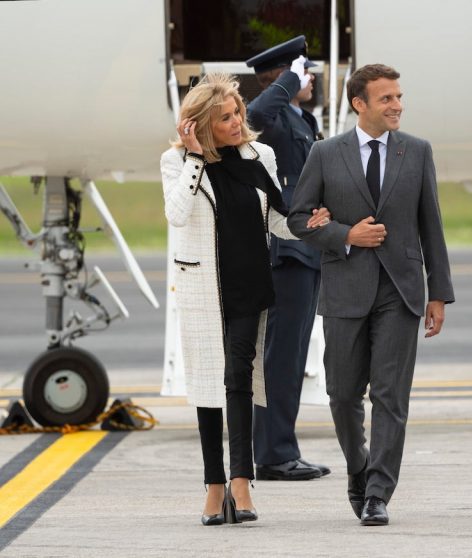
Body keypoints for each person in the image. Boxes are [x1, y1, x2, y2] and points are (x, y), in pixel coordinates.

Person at [286, 64, 454, 526]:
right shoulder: (325, 153)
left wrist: (438, 293)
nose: (397, 105)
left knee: (390, 396)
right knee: (342, 395)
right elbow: (298, 219)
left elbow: (431, 226)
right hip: (345, 288)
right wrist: (345, 235)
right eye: (387, 98)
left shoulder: (416, 151)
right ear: (359, 104)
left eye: (399, 96)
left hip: (401, 291)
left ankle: (378, 492)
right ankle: (358, 466)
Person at [160, 73, 329, 525]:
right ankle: (213, 486)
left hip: (248, 284)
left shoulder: (260, 155)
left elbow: (276, 220)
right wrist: (196, 158)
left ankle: (240, 483)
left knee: (238, 377)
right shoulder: (176, 161)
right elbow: (177, 214)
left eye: (236, 113)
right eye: (225, 118)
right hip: (202, 287)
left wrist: (309, 225)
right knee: (207, 386)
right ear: (200, 125)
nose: (237, 122)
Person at [244, 36, 330, 481]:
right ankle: (274, 455)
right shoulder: (273, 119)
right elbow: (254, 116)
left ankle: (281, 449)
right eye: (303, 72)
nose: (310, 79)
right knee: (281, 357)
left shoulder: (300, 118)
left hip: (306, 246)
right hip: (287, 250)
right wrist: (289, 81)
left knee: (292, 356)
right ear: (283, 78)